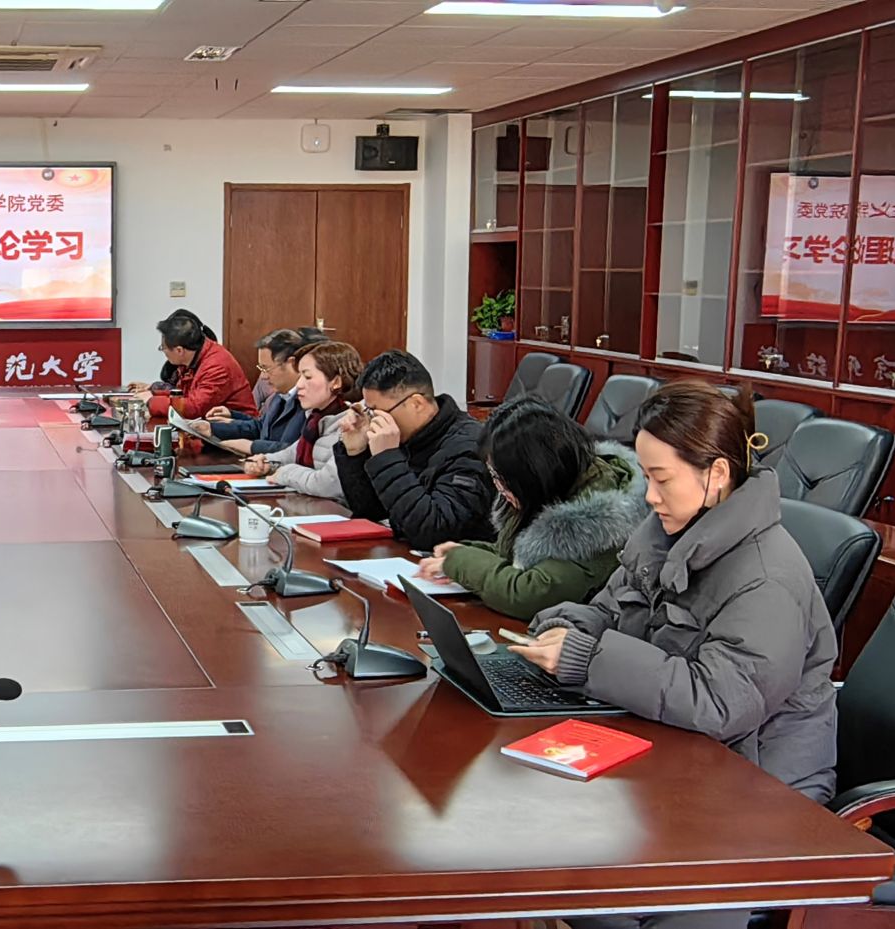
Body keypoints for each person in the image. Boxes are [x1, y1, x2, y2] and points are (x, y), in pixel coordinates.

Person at [510, 382, 837, 929]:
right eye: (647, 477)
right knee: (530, 832)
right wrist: (568, 626)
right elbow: (613, 609)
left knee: (571, 868)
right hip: (678, 758)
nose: (650, 496)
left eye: (661, 479)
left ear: (716, 474)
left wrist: (588, 659)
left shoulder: (766, 578)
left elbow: (721, 703)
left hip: (757, 787)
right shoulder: (665, 531)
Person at [415, 398, 648, 620]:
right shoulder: (555, 489)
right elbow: (518, 555)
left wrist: (460, 562)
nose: (498, 488)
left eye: (501, 478)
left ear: (533, 475)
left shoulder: (598, 522)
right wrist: (466, 551)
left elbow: (529, 593)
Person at [332, 350, 494, 549]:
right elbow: (372, 513)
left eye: (378, 412)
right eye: (369, 411)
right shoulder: (408, 435)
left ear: (417, 403)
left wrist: (387, 458)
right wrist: (356, 454)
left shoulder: (470, 446)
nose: (374, 420)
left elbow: (435, 532)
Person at [242, 340, 362, 500]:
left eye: (308, 377)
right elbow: (292, 452)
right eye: (300, 376)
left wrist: (284, 473)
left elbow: (328, 484)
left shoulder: (353, 423)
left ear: (336, 382)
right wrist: (266, 462)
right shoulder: (316, 418)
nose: (299, 385)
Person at [190, 328, 316, 455]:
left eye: (267, 369)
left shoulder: (311, 401)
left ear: (291, 364)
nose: (264, 377)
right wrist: (212, 428)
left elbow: (298, 451)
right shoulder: (280, 394)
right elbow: (260, 427)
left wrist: (252, 446)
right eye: (261, 368)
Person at [138, 311, 256, 420]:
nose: (163, 351)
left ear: (179, 350)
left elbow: (195, 408)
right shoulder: (194, 356)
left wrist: (151, 401)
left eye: (163, 348)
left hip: (237, 427)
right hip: (210, 424)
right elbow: (184, 394)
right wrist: (154, 393)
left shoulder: (216, 366)